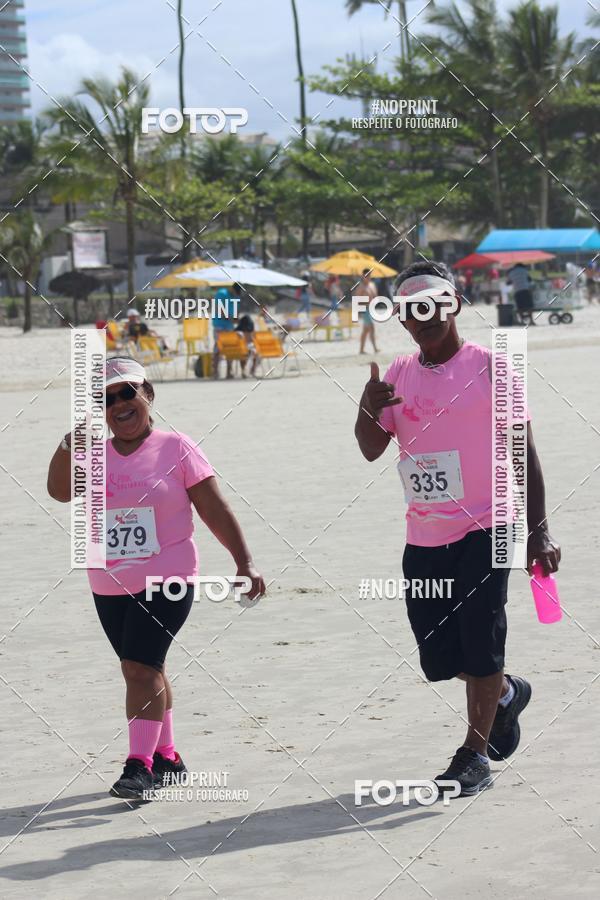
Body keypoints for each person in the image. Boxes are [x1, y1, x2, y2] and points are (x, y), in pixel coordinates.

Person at [354, 260, 560, 797]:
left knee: (482, 640)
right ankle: (508, 694)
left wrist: (539, 531)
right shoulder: (397, 374)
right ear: (401, 319)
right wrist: (366, 407)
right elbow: (372, 449)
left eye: (431, 305)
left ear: (455, 304)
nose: (422, 317)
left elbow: (525, 452)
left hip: (493, 525)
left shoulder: (493, 367)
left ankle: (473, 756)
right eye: (410, 310)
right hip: (424, 534)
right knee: (440, 656)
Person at [47, 357, 265, 800]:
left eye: (127, 392)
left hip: (169, 579)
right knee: (147, 670)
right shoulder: (92, 453)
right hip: (108, 584)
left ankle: (138, 766)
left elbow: (214, 509)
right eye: (105, 400)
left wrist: (244, 562)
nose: (118, 405)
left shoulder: (176, 447)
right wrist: (70, 445)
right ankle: (167, 756)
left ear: (147, 392)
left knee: (138, 669)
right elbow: (59, 491)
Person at [212, 287, 236, 379]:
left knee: (230, 349)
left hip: (229, 326)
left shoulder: (234, 296)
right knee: (218, 348)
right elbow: (219, 307)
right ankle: (215, 372)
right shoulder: (222, 293)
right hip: (219, 325)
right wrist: (229, 317)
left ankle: (229, 371)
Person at [358, 268, 379, 354]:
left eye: (369, 275)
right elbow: (357, 299)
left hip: (371, 309)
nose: (368, 277)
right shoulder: (361, 286)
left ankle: (361, 350)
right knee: (371, 327)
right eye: (366, 276)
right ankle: (375, 348)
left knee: (365, 330)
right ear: (363, 276)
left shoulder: (372, 285)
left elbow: (375, 296)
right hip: (364, 309)